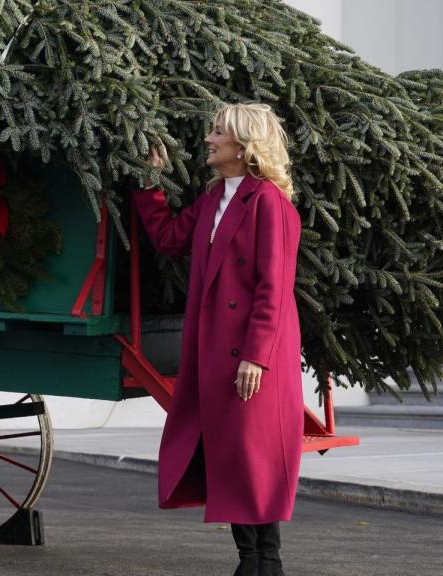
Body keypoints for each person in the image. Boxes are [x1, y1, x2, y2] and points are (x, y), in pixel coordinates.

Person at [132, 103, 303, 576]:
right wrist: (151, 182)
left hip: (253, 353)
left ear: (244, 146)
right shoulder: (214, 199)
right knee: (227, 453)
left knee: (254, 455)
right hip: (213, 349)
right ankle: (251, 561)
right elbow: (169, 238)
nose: (208, 139)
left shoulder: (270, 202)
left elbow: (274, 287)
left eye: (218, 132)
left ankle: (267, 561)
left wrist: (256, 356)